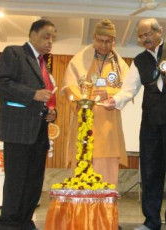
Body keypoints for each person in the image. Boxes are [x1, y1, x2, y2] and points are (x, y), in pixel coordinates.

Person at [103, 18, 166, 230]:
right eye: (141, 36)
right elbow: (129, 88)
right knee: (151, 171)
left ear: (159, 31)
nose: (145, 39)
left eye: (148, 34)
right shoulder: (139, 60)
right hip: (150, 122)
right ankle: (151, 222)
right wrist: (114, 101)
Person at [0, 19, 57, 230]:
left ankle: (25, 220)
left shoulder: (43, 64)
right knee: (16, 181)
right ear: (32, 34)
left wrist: (51, 113)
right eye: (47, 36)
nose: (50, 42)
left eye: (53, 38)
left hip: (38, 131)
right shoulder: (14, 53)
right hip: (18, 130)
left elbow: (44, 98)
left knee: (33, 181)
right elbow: (1, 83)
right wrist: (34, 94)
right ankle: (8, 224)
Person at [61, 19, 128, 187]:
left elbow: (128, 90)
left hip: (108, 127)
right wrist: (82, 101)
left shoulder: (119, 65)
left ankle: (104, 210)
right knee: (82, 165)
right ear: (94, 38)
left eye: (108, 41)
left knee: (106, 172)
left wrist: (109, 93)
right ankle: (81, 210)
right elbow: (69, 85)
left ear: (114, 41)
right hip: (84, 124)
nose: (104, 45)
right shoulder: (80, 60)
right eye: (100, 41)